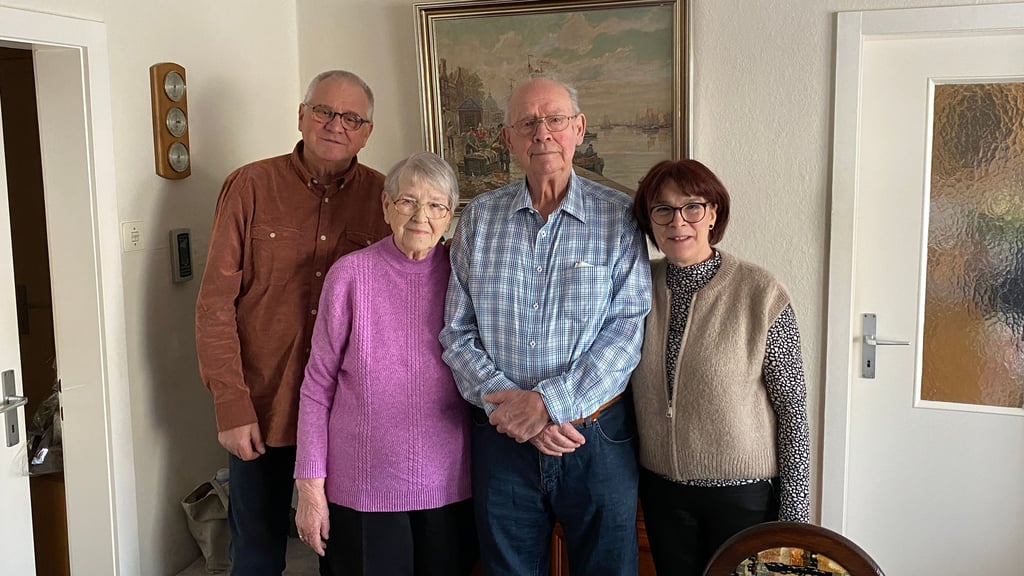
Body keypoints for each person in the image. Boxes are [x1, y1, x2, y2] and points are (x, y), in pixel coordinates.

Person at [440, 76, 652, 575]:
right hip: (501, 440)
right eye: (528, 123)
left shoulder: (619, 217)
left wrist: (547, 406)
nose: (543, 133)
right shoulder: (478, 220)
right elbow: (457, 331)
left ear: (578, 129)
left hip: (595, 438)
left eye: (555, 119)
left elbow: (625, 333)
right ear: (508, 138)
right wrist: (512, 409)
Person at [195, 69, 390, 575]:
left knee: (344, 554)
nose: (335, 125)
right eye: (324, 111)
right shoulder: (250, 186)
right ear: (301, 116)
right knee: (256, 554)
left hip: (346, 416)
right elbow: (216, 304)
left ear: (367, 132)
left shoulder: (386, 199)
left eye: (352, 118)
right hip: (263, 405)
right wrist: (230, 404)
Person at [293, 151, 476, 576]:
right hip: (361, 486)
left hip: (448, 483)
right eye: (407, 201)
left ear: (450, 216)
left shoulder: (463, 276)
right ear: (386, 206)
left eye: (436, 205)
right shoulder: (350, 275)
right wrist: (309, 486)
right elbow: (317, 385)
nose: (421, 216)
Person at [629, 159, 811, 576]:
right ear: (649, 221)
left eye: (692, 207)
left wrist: (794, 513)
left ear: (712, 213)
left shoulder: (760, 292)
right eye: (663, 209)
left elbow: (792, 409)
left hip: (742, 496)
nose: (679, 222)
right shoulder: (636, 287)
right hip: (661, 491)